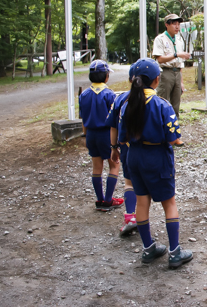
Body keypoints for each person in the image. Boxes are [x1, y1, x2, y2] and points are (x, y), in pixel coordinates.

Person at [118, 58, 193, 268]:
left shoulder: (126, 104)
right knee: (169, 203)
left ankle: (148, 248)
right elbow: (173, 138)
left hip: (134, 157)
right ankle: (175, 252)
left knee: (142, 202)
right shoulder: (161, 104)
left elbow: (121, 139)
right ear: (157, 79)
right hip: (157, 157)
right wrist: (179, 141)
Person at [79, 59, 124, 212]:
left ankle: (99, 199)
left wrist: (85, 136)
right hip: (106, 134)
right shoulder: (109, 95)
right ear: (106, 77)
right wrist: (116, 141)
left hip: (91, 134)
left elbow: (83, 119)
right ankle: (109, 199)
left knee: (96, 167)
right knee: (114, 165)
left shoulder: (84, 94)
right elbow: (114, 119)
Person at [106, 60, 140, 236]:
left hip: (127, 148)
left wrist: (114, 147)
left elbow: (113, 126)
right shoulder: (156, 101)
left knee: (129, 182)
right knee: (144, 186)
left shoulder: (120, 98)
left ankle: (130, 216)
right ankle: (143, 219)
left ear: (130, 80)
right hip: (149, 152)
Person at [152, 14, 191, 121]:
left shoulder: (179, 40)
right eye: (174, 24)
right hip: (165, 72)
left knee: (176, 102)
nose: (177, 27)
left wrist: (182, 82)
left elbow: (180, 63)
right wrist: (177, 54)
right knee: (163, 100)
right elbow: (159, 59)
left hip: (177, 72)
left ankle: (174, 126)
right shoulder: (160, 39)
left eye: (178, 24)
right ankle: (162, 124)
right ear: (167, 24)